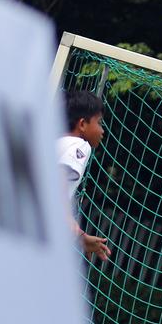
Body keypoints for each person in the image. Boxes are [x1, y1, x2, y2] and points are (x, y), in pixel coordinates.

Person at [58, 90, 111, 261]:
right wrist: (66, 216)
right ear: (82, 124)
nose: (102, 131)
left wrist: (80, 237)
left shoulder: (57, 142)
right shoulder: (79, 146)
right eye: (99, 123)